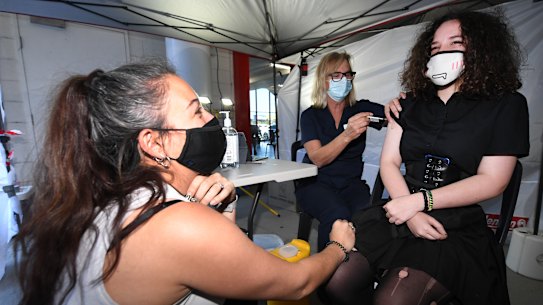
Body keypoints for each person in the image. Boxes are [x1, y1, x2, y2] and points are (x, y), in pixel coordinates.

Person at [14, 61, 357, 305]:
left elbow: (218, 277)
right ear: (154, 142)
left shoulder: (112, 195)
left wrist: (221, 213)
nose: (211, 119)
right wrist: (337, 246)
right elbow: (296, 285)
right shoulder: (177, 225)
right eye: (196, 112)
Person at [322, 10, 529, 305]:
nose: (442, 52)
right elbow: (390, 163)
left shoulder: (507, 105)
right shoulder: (408, 103)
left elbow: (494, 181)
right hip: (399, 204)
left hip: (454, 220)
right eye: (435, 48)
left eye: (455, 43)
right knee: (336, 280)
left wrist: (420, 204)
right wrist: (411, 211)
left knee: (393, 299)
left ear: (482, 49)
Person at [295, 51, 385, 251]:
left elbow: (394, 114)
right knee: (337, 214)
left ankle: (356, 274)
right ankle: (326, 274)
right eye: (336, 75)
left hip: (351, 183)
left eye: (347, 75)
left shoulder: (361, 109)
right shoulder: (311, 115)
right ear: (323, 80)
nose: (343, 80)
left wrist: (404, 102)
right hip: (316, 183)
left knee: (367, 217)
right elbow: (318, 158)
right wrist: (348, 135)